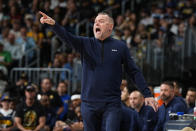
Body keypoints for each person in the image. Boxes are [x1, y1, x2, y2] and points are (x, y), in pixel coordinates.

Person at [39, 11, 158, 131]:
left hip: (111, 104)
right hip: (88, 104)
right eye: (95, 22)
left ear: (110, 27)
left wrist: (147, 94)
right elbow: (68, 37)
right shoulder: (85, 43)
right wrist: (54, 25)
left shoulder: (120, 46)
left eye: (101, 21)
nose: (96, 24)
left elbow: (134, 71)